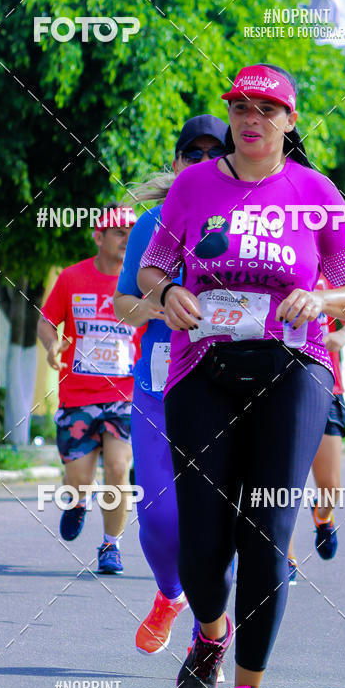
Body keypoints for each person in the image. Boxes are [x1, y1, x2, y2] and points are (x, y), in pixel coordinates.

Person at [138, 63, 345, 688]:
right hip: (202, 367)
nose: (252, 119)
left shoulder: (314, 192)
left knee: (267, 536)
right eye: (242, 107)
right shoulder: (193, 188)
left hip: (293, 369)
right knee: (201, 542)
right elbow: (156, 265)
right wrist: (166, 294)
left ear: (289, 122)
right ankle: (209, 635)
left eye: (268, 110)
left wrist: (324, 297)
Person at [114, 115, 228, 655]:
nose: (204, 161)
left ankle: (209, 634)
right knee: (160, 520)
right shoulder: (154, 222)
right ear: (178, 163)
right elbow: (123, 306)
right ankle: (168, 594)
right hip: (159, 389)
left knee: (216, 524)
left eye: (215, 151)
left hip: (229, 388)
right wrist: (165, 304)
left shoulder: (253, 224)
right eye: (193, 152)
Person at [37, 207, 141, 574]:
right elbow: (47, 323)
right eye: (118, 232)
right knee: (79, 479)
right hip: (78, 396)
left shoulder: (141, 282)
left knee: (118, 467)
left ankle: (111, 546)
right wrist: (52, 345)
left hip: (125, 396)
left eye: (133, 230)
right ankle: (78, 501)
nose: (127, 238)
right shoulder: (72, 277)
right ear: (98, 237)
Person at [287, 283, 345, 584]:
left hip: (327, 387)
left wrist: (342, 335)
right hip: (281, 385)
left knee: (330, 487)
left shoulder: (329, 276)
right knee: (284, 481)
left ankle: (323, 517)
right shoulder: (275, 261)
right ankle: (285, 557)